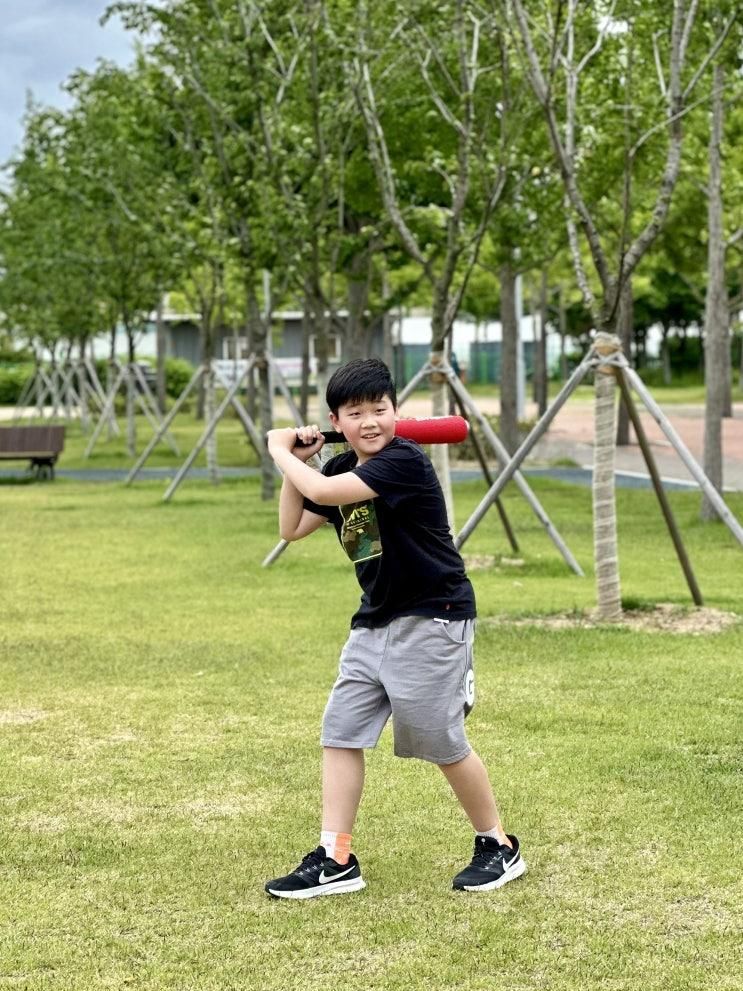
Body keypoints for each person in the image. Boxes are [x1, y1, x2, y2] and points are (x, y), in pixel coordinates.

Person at [264, 357, 525, 899]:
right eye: (354, 413)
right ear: (337, 418)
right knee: (340, 731)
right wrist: (296, 463)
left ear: (396, 412)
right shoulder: (334, 468)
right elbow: (292, 526)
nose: (369, 422)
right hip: (375, 620)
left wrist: (279, 453)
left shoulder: (402, 461)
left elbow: (333, 495)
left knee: (441, 741)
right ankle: (337, 857)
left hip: (433, 616)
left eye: (379, 410)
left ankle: (497, 845)